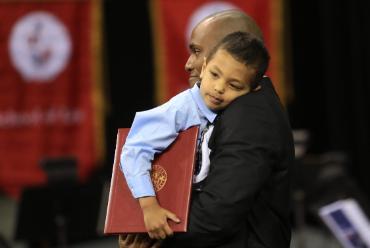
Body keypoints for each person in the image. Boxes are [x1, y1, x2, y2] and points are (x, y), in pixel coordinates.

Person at [120, 9, 294, 248]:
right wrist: (146, 211)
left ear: (233, 48)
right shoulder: (200, 107)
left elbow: (216, 215)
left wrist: (153, 236)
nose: (188, 63)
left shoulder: (249, 115)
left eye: (198, 51)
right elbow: (135, 149)